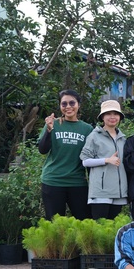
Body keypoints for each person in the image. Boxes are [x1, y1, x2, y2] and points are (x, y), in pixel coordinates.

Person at [38, 89, 93, 220]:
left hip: (77, 182)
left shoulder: (87, 129)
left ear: (78, 105)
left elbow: (90, 157)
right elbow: (42, 150)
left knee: (83, 222)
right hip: (53, 181)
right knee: (55, 225)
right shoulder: (53, 124)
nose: (68, 107)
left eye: (72, 103)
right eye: (64, 104)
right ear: (60, 106)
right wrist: (49, 130)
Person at [80, 100, 128, 220]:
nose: (112, 117)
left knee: (113, 230)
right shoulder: (94, 136)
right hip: (100, 193)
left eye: (116, 114)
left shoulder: (123, 138)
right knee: (100, 230)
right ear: (102, 117)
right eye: (108, 114)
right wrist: (106, 160)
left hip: (119, 193)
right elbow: (85, 161)